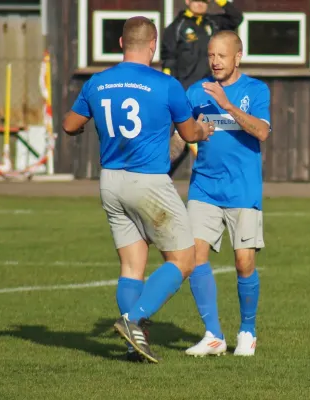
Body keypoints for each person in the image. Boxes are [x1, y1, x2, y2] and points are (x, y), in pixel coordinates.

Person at [61, 16, 215, 364]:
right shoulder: (166, 85)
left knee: (132, 266)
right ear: (153, 45)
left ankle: (134, 347)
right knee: (184, 259)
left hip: (111, 181)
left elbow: (70, 125)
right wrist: (204, 131)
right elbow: (189, 135)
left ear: (120, 44)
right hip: (148, 182)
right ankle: (132, 321)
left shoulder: (97, 82)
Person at [182, 31, 271, 357]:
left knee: (244, 262)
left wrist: (226, 104)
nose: (215, 61)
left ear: (238, 56)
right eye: (211, 55)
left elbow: (261, 131)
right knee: (194, 258)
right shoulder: (195, 92)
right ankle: (213, 335)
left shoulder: (256, 90)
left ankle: (247, 330)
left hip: (243, 189)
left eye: (222, 55)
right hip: (204, 187)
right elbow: (182, 135)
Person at [161, 0, 243, 176]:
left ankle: (223, 179)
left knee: (215, 138)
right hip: (184, 95)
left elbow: (236, 18)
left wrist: (220, 1)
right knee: (180, 142)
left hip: (209, 94)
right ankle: (159, 178)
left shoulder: (213, 23)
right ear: (188, 1)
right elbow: (168, 61)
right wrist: (171, 95)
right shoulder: (176, 27)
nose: (200, 3)